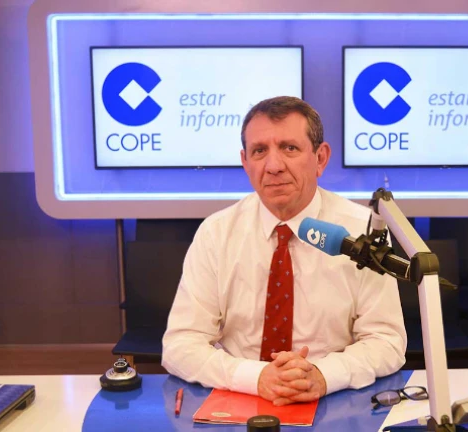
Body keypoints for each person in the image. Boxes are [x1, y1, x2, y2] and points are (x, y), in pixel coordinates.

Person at [162, 96, 406, 406]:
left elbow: (386, 342)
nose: (274, 166)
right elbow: (180, 345)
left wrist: (323, 375)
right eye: (259, 151)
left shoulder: (361, 232)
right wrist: (256, 377)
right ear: (245, 162)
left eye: (289, 148)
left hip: (335, 401)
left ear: (320, 158)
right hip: (242, 396)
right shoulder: (216, 233)